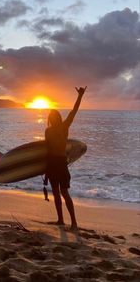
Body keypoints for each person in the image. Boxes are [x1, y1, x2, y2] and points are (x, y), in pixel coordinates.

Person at [45, 87, 87, 229]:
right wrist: (45, 170)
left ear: (58, 117)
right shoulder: (48, 131)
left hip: (61, 163)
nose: (53, 119)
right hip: (51, 164)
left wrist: (80, 96)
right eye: (51, 117)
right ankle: (60, 220)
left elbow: (73, 111)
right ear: (50, 119)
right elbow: (47, 150)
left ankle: (74, 222)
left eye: (55, 116)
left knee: (64, 193)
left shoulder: (64, 127)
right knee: (56, 194)